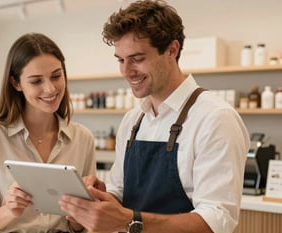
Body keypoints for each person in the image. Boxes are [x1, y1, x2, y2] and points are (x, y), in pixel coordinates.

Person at [59, 1, 250, 233]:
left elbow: (216, 221)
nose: (126, 71)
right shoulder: (133, 120)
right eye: (120, 60)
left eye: (137, 59)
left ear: (172, 50)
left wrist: (127, 220)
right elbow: (119, 191)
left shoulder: (215, 118)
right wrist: (97, 198)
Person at [0, 33, 96, 233]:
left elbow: (80, 226)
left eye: (56, 76)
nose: (51, 88)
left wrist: (81, 211)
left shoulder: (83, 138)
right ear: (16, 83)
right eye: (36, 81)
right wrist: (9, 210)